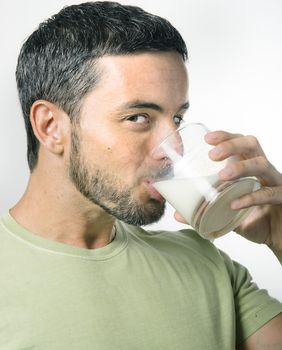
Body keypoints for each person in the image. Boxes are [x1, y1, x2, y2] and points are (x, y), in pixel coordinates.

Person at [1, 1, 281, 348]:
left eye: (176, 119)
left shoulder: (203, 262)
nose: (173, 146)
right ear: (51, 127)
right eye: (138, 117)